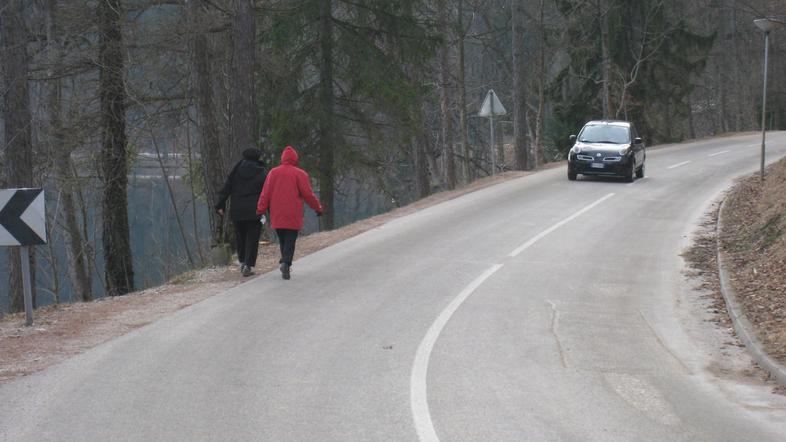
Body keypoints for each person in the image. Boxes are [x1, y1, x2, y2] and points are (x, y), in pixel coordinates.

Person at [256, 145, 322, 280]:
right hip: (293, 213)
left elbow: (265, 194)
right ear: (295, 159)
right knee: (290, 240)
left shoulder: (273, 173)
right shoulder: (300, 174)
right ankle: (286, 263)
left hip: (277, 213)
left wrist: (260, 209)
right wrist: (318, 208)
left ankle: (284, 261)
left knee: (282, 239)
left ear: (282, 158)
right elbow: (308, 195)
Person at [216, 148, 267, 277]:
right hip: (254, 210)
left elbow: (226, 188)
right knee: (252, 238)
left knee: (241, 237)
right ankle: (248, 265)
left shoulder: (236, 170)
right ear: (257, 158)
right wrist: (270, 209)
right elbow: (268, 192)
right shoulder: (261, 172)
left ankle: (243, 261)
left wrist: (220, 205)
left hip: (237, 210)